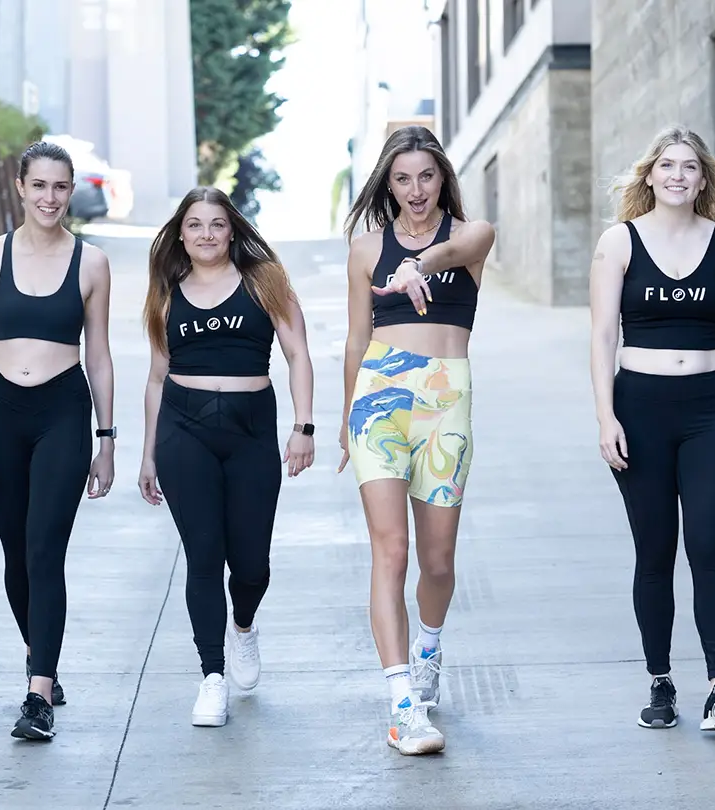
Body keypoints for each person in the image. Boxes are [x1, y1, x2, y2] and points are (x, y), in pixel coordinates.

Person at [588, 124, 715, 732]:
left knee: (710, 547)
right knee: (654, 551)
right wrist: (606, 415)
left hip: (712, 408)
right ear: (650, 175)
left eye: (690, 167)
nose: (678, 175)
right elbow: (602, 336)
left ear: (704, 179)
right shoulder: (619, 242)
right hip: (640, 407)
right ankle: (660, 683)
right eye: (667, 165)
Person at [338, 125, 496, 756]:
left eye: (426, 176)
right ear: (387, 183)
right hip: (378, 400)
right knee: (391, 552)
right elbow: (355, 337)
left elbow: (460, 249)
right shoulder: (363, 248)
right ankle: (402, 702)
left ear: (442, 178)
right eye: (401, 178)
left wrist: (417, 266)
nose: (415, 190)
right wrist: (348, 416)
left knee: (437, 562)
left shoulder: (470, 236)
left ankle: (428, 645)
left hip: (445, 403)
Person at [137, 187, 315, 728]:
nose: (206, 234)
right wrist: (147, 455)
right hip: (183, 430)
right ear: (181, 234)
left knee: (252, 562)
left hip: (251, 430)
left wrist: (303, 426)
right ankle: (211, 676)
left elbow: (298, 354)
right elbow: (155, 377)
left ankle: (243, 625)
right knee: (203, 556)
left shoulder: (265, 282)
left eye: (217, 224)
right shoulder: (166, 293)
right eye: (195, 225)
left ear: (232, 230)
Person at [0, 141, 116, 741]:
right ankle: (39, 653)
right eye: (39, 185)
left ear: (69, 192)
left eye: (60, 187)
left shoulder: (92, 263)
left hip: (62, 411)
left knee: (46, 549)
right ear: (20, 188)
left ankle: (38, 693)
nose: (49, 197)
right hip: (0, 412)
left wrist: (106, 438)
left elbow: (98, 355)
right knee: (16, 556)